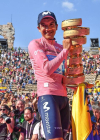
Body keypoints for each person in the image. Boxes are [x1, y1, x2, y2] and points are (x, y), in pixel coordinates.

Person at [28, 10, 71, 140]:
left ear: (57, 27)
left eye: (51, 24)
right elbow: (46, 69)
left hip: (63, 97)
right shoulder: (35, 44)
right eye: (44, 25)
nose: (48, 28)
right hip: (48, 96)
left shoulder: (60, 46)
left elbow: (65, 76)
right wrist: (65, 51)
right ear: (38, 28)